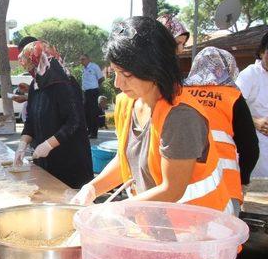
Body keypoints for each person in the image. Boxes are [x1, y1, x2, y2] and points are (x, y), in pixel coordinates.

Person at [71, 17, 233, 213]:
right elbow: (125, 159)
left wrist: (111, 212)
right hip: (155, 225)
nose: (117, 84)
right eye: (115, 72)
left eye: (127, 74)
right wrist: (93, 188)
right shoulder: (126, 102)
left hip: (197, 231)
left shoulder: (181, 116)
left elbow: (171, 190)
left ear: (155, 68)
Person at [184, 47, 259, 214]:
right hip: (224, 186)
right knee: (224, 237)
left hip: (182, 184)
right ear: (229, 68)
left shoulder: (179, 94)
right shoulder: (233, 97)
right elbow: (251, 149)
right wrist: (243, 179)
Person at [14, 41, 93, 189]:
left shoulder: (65, 82)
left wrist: (48, 144)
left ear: (42, 60)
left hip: (70, 162)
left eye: (31, 66)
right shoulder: (35, 85)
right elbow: (31, 121)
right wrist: (22, 145)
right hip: (45, 162)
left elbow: (74, 121)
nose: (31, 71)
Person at [237, 32, 268, 178]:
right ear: (262, 52)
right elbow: (234, 107)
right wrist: (255, 121)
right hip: (256, 144)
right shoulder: (250, 74)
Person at [80, 53, 104, 138]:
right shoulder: (83, 69)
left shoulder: (94, 67)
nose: (81, 61)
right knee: (86, 112)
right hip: (86, 93)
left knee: (93, 113)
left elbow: (101, 78)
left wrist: (95, 86)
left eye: (83, 59)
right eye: (81, 60)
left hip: (93, 92)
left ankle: (94, 133)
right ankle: (89, 131)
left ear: (88, 59)